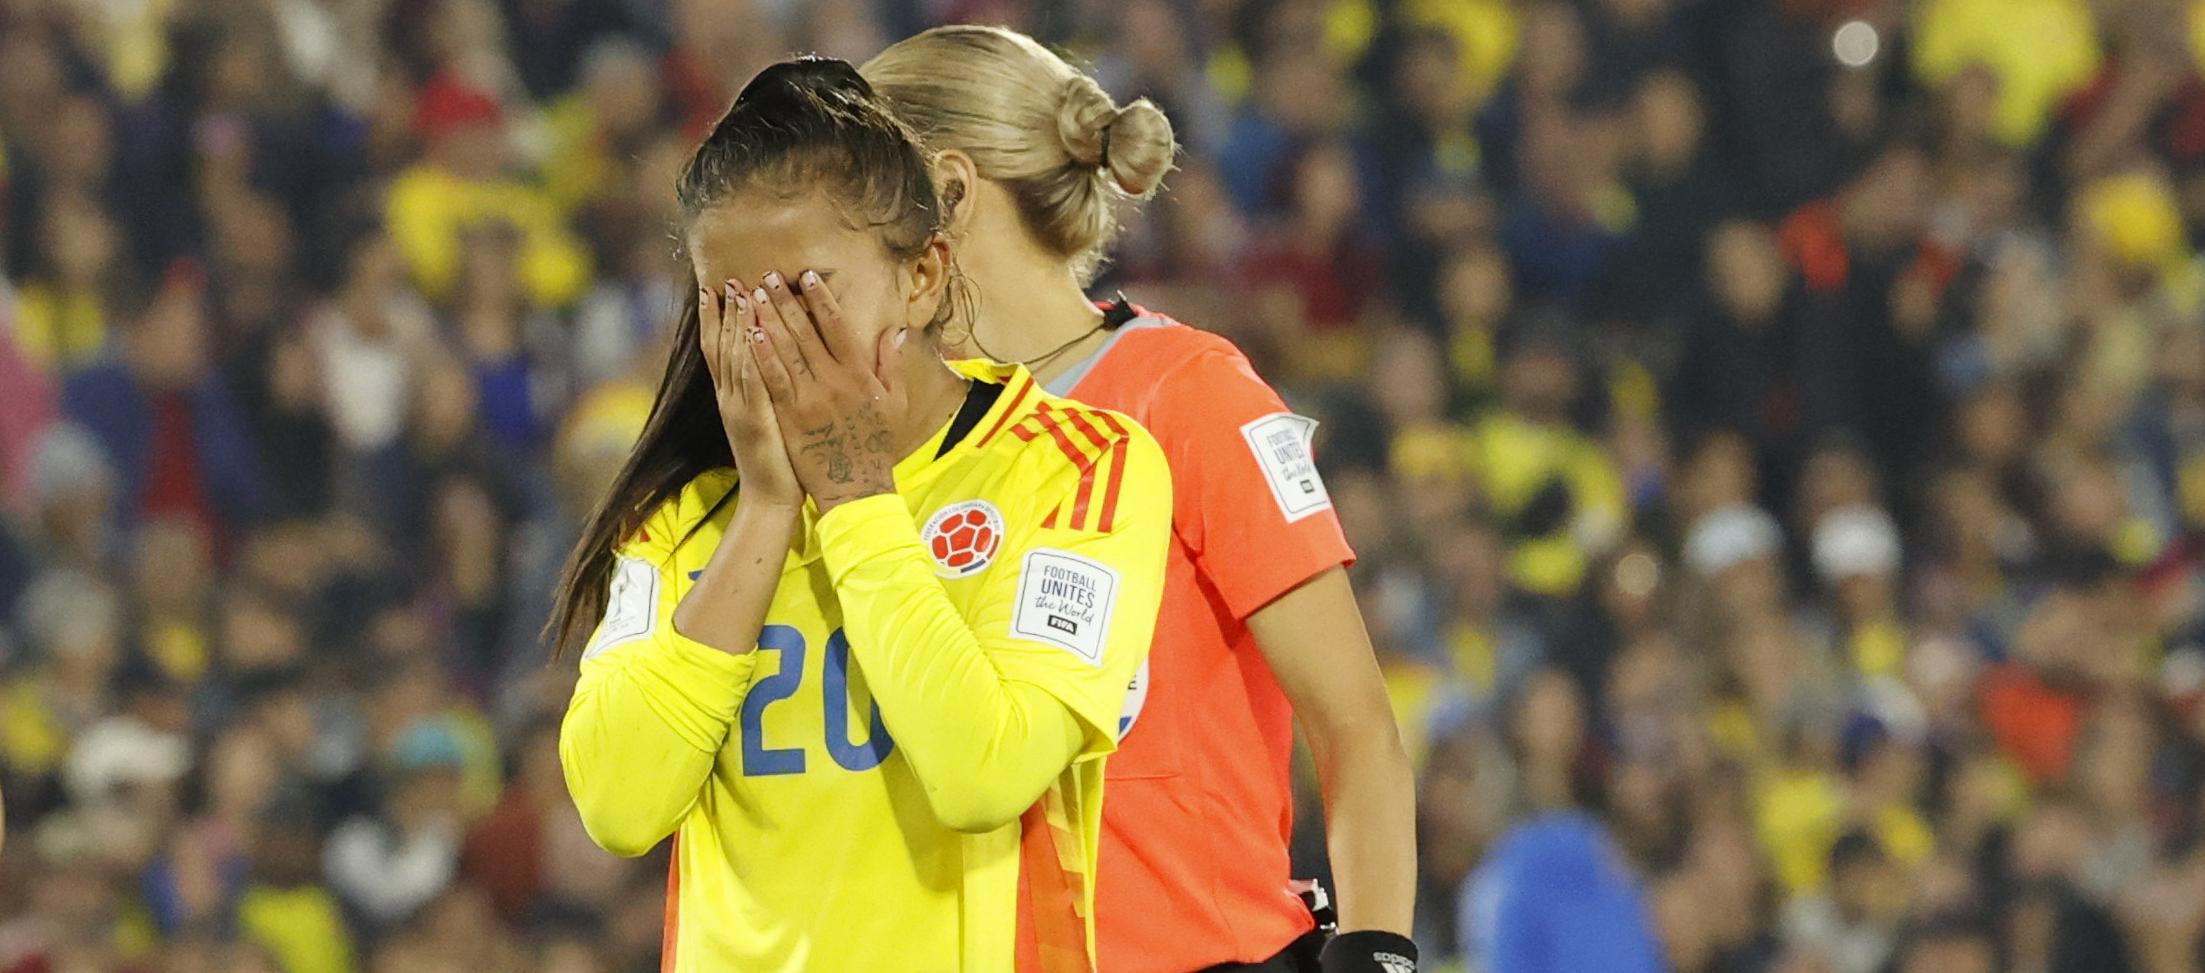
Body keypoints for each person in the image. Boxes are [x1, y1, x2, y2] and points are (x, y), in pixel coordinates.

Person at [547, 56, 1174, 973]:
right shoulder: (686, 519)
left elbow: (983, 771)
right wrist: (766, 510)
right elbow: (618, 805)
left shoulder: (1076, 470)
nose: (773, 339)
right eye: (735, 305)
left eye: (806, 295)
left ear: (922, 276)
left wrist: (851, 494)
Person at [865, 26, 1418, 973]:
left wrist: (1377, 953)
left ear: (948, 189)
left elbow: (1355, 721)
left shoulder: (1188, 391)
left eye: (857, 194)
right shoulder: (882, 440)